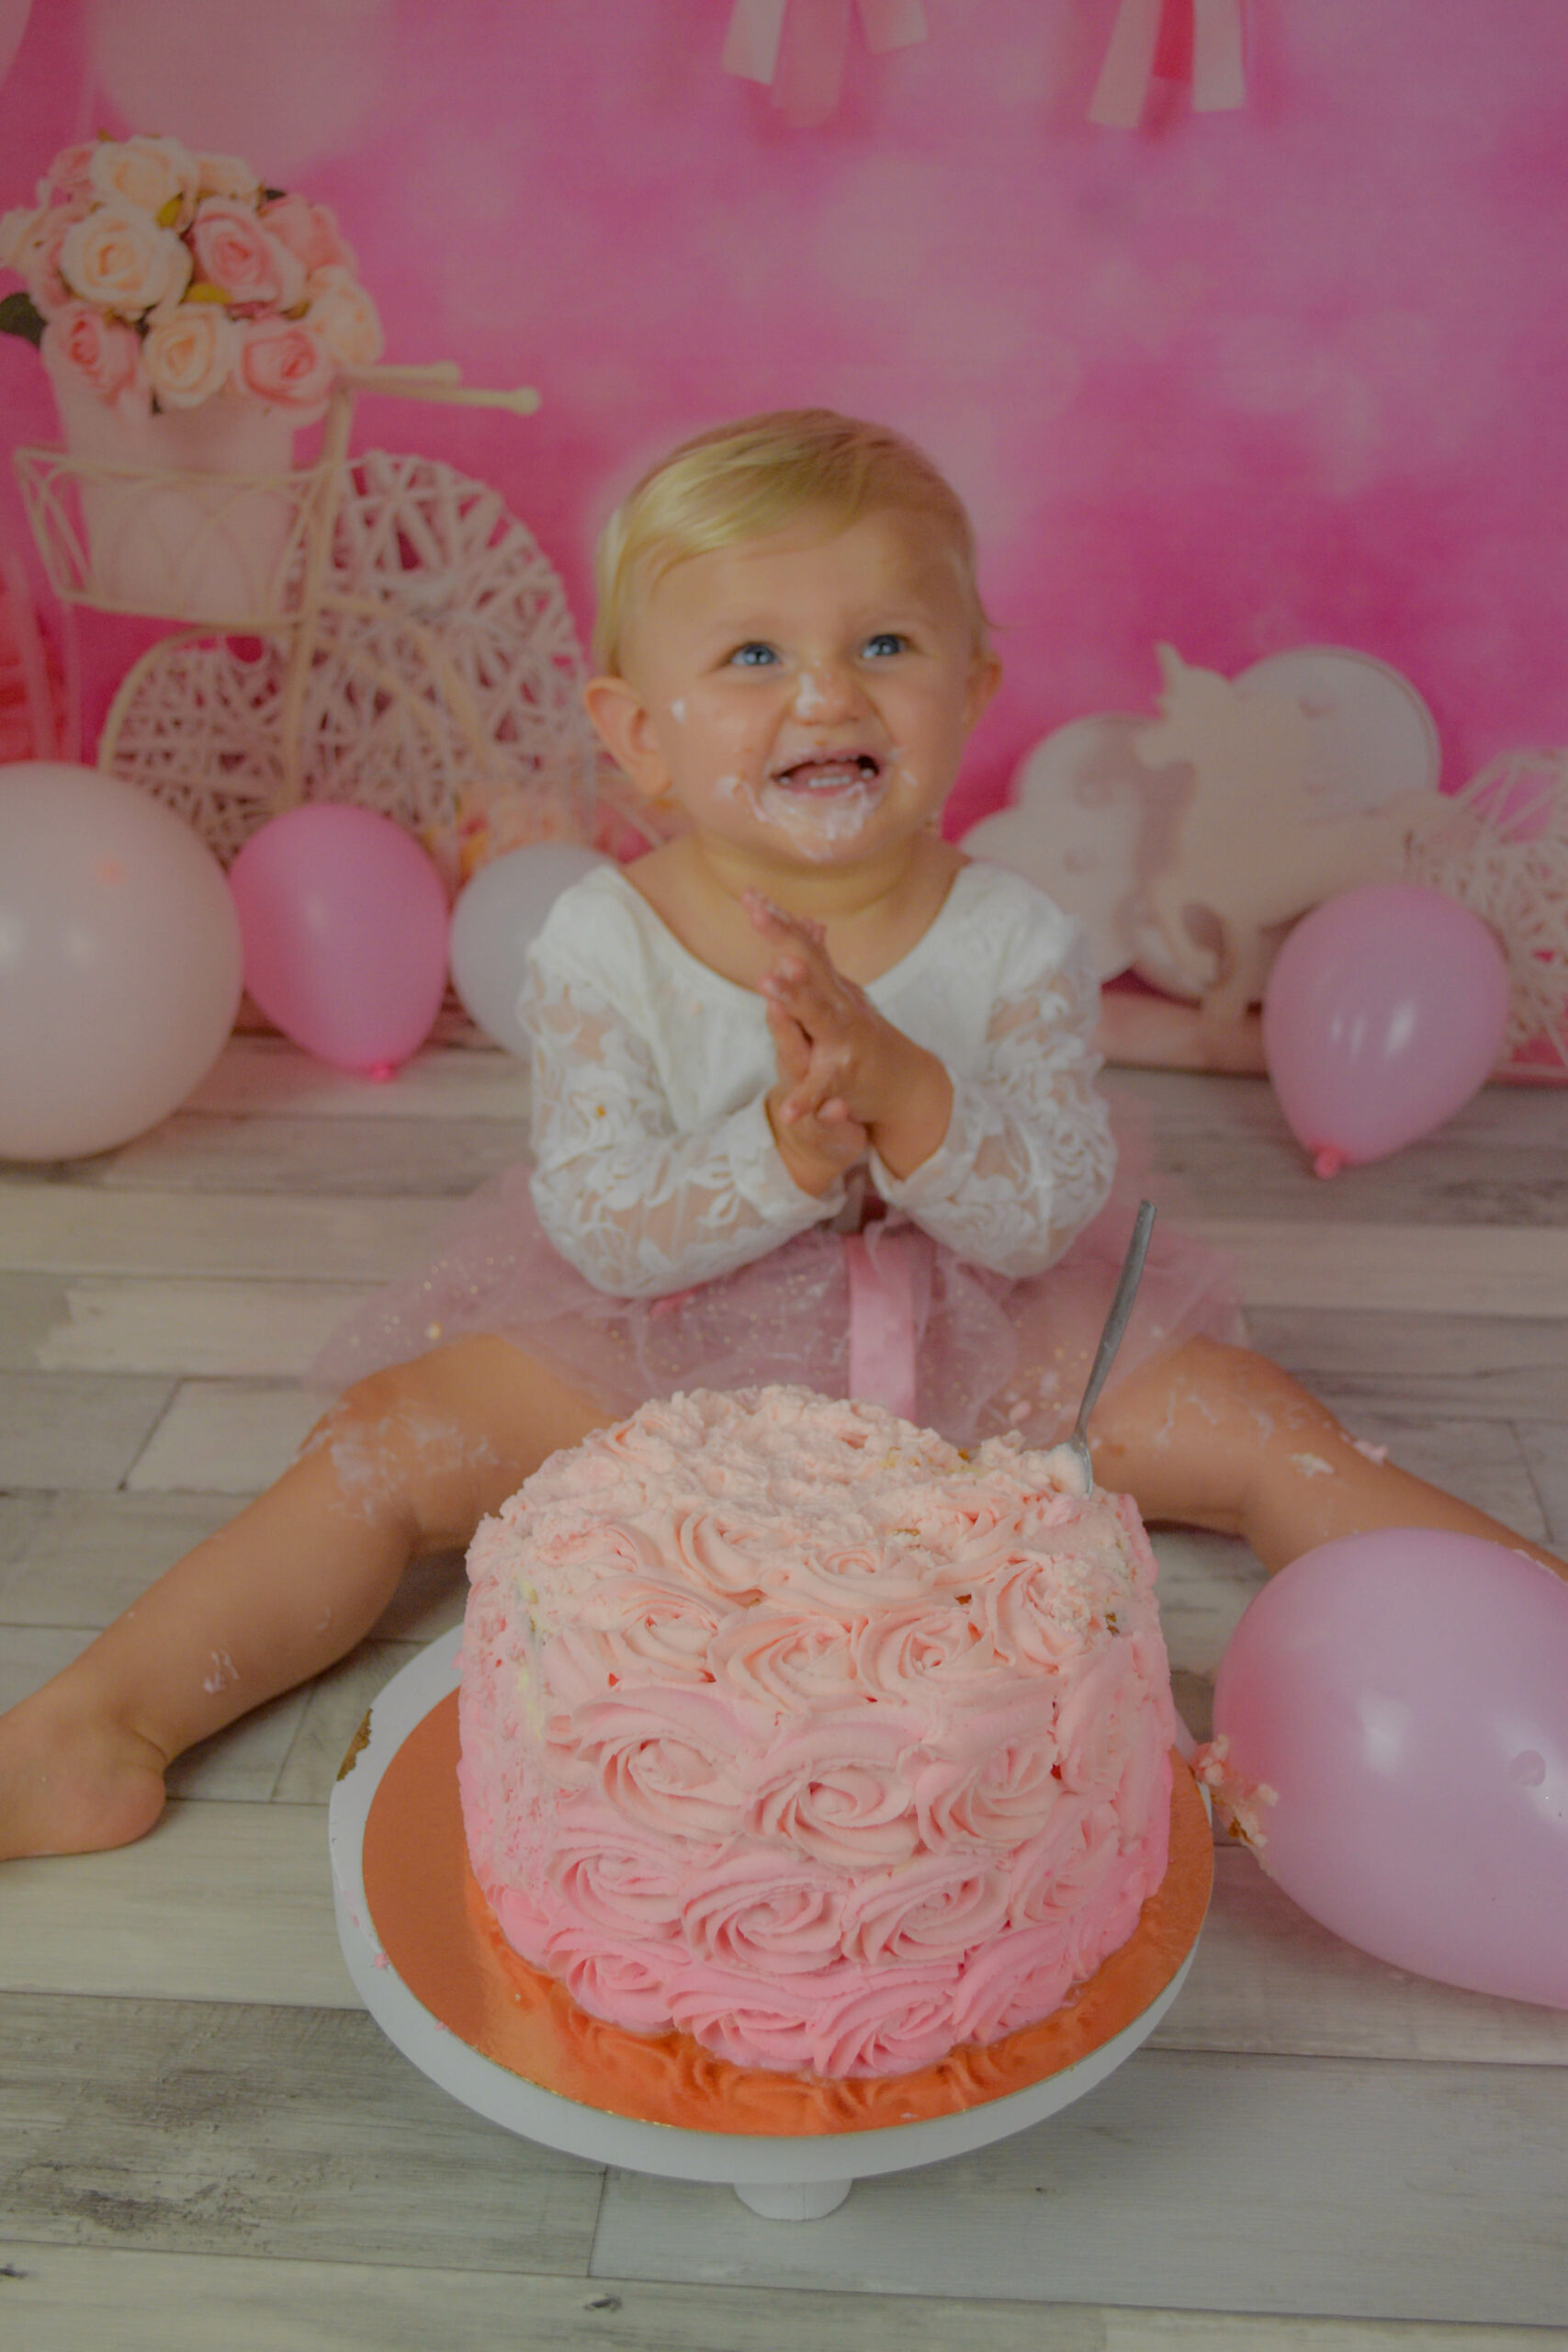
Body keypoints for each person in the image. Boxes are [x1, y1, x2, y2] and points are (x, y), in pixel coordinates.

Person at [2, 409, 1560, 1864]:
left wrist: (912, 1098)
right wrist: (790, 1155)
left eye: (884, 643)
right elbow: (605, 1225)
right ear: (639, 734)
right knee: (383, 1447)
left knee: (1264, 1425)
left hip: (983, 1326)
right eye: (754, 654)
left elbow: (1042, 1211)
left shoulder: (1015, 937)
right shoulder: (603, 940)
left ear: (974, 689)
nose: (825, 694)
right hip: (659, 1336)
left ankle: (1537, 1633)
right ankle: (102, 1724)